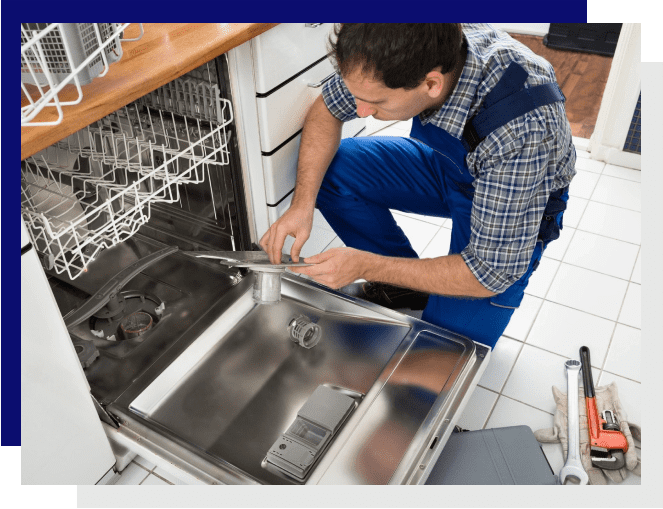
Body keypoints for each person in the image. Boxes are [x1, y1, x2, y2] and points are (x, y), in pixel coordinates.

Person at [260, 23, 576, 349]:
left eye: (376, 103)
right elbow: (327, 108)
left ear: (431, 84)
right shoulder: (402, 47)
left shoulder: (521, 127)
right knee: (332, 171)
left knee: (445, 349)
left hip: (515, 198)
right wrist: (302, 205)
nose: (360, 110)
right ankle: (405, 287)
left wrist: (366, 264)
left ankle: (399, 279)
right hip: (452, 166)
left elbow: (488, 273)